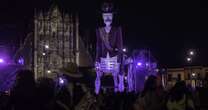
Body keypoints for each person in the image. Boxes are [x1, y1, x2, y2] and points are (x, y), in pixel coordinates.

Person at [95, 1, 124, 94]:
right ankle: (96, 93)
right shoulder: (99, 30)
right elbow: (98, 46)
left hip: (114, 58)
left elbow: (120, 47)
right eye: (105, 16)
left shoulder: (117, 30)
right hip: (103, 58)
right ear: (103, 17)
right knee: (98, 76)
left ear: (112, 16)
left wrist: (119, 62)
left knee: (118, 78)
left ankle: (119, 92)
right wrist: (97, 60)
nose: (107, 18)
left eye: (110, 15)